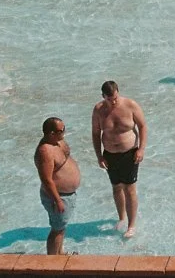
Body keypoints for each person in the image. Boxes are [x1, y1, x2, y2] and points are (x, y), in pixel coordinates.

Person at [91, 81, 148, 239]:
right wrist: (99, 156)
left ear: (118, 92)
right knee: (116, 187)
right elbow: (96, 134)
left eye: (115, 97)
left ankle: (131, 225)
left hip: (129, 153)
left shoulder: (130, 105)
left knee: (129, 188)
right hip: (110, 153)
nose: (114, 101)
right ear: (103, 97)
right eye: (110, 99)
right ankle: (122, 218)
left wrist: (141, 149)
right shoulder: (98, 110)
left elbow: (143, 126)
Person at [35, 117, 80, 255]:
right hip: (58, 196)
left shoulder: (58, 142)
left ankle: (59, 254)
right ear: (51, 133)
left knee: (61, 227)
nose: (64, 133)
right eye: (61, 130)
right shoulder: (45, 151)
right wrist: (57, 200)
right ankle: (52, 265)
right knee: (57, 230)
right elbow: (46, 179)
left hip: (66, 195)